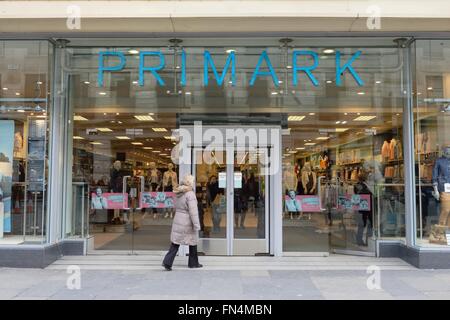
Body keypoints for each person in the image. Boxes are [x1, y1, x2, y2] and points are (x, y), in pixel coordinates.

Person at [162, 174, 202, 271]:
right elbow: (193, 212)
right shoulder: (190, 194)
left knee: (176, 242)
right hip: (187, 220)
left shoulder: (178, 192)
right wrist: (197, 224)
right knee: (192, 241)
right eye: (193, 181)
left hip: (178, 218)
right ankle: (193, 263)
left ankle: (167, 261)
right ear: (190, 182)